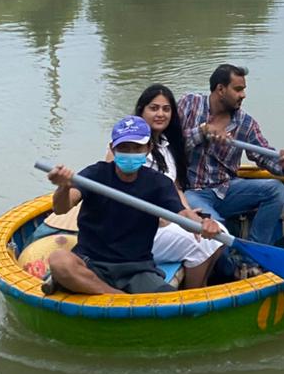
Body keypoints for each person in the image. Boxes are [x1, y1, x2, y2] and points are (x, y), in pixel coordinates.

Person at [45, 115, 221, 296]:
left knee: (169, 300)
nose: (130, 153)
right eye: (124, 148)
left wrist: (203, 224)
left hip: (137, 269)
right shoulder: (95, 174)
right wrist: (63, 187)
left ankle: (106, 295)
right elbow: (61, 208)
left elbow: (182, 214)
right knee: (59, 260)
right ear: (113, 148)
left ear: (148, 148)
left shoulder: (158, 183)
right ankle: (115, 296)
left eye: (137, 148)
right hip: (92, 263)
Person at [178, 64, 284, 251]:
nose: (243, 95)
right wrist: (203, 131)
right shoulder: (189, 104)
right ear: (220, 89)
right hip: (191, 192)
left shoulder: (245, 123)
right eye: (238, 89)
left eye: (243, 89)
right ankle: (227, 263)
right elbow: (170, 144)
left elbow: (264, 155)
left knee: (276, 190)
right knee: (216, 228)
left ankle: (255, 253)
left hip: (227, 189)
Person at [129, 83, 227, 288]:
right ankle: (193, 295)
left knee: (220, 234)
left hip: (169, 220)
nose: (160, 114)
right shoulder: (130, 146)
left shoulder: (166, 145)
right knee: (200, 245)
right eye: (154, 108)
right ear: (142, 111)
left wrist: (187, 212)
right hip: (142, 230)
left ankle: (202, 287)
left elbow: (176, 187)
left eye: (166, 109)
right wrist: (169, 219)